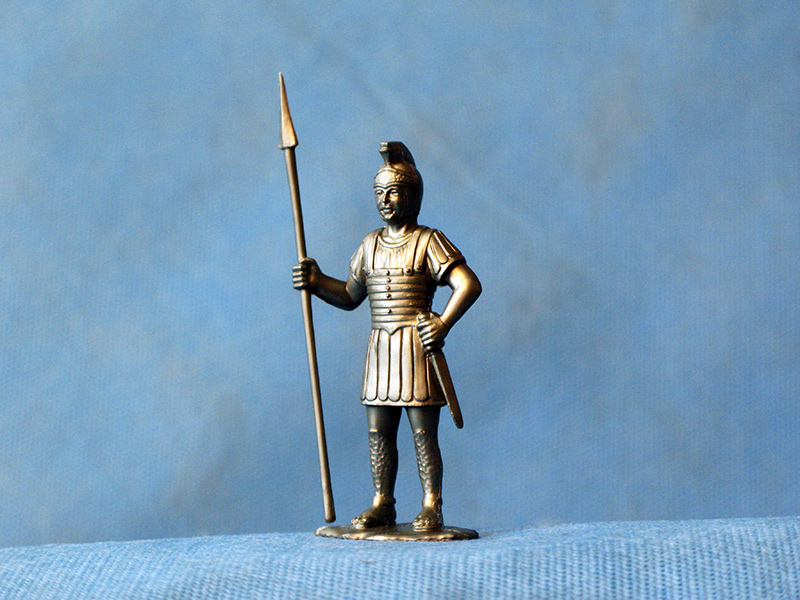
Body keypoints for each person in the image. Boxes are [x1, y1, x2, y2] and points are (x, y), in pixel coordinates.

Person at [293, 141, 481, 531]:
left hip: (416, 349)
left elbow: (468, 284)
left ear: (412, 195)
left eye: (393, 192)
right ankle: (383, 502)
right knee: (378, 432)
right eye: (379, 192)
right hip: (380, 351)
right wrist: (316, 281)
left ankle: (431, 504)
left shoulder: (429, 241)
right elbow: (350, 296)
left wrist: (443, 323)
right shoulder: (369, 245)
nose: (385, 200)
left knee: (423, 433)